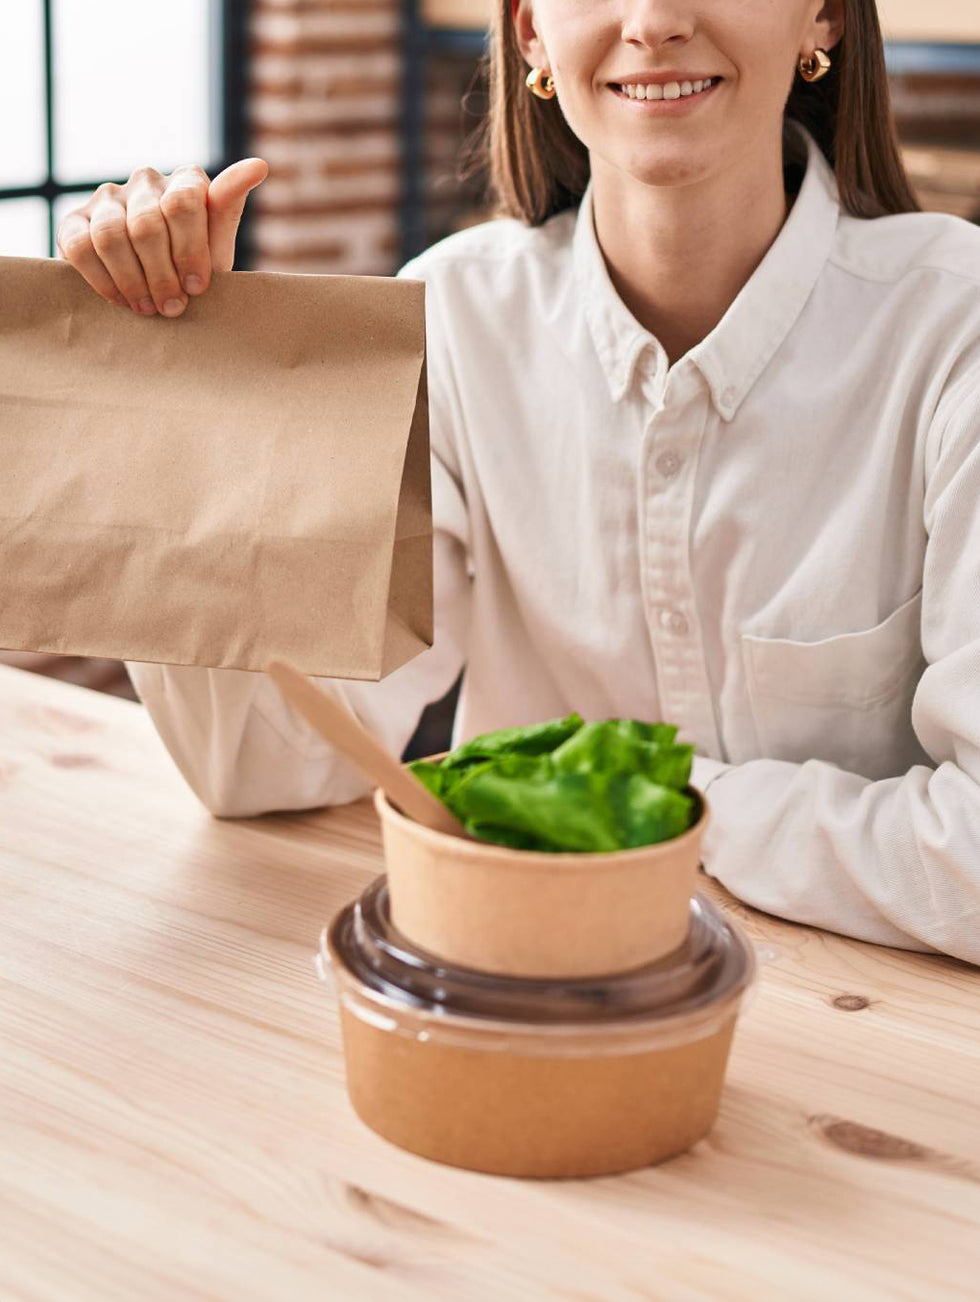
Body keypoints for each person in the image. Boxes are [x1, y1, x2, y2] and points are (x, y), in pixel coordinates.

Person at [57, 0, 980, 965]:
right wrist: (166, 405)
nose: (653, 19)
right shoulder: (453, 319)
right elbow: (259, 763)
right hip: (530, 997)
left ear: (823, 17)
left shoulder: (956, 334)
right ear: (531, 31)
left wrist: (628, 798)